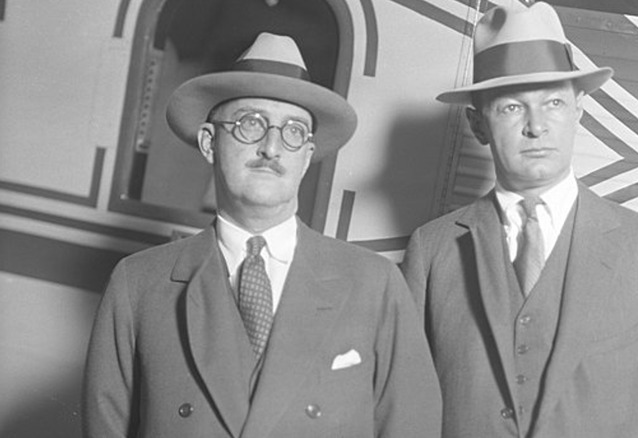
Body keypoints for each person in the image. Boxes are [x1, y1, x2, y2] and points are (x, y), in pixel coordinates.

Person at [401, 3, 638, 437]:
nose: (536, 126)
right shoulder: (431, 250)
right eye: (510, 107)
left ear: (579, 110)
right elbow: (401, 408)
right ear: (477, 124)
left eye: (554, 102)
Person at [82, 33, 442, 438]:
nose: (271, 147)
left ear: (306, 157)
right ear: (209, 143)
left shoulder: (375, 285)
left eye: (292, 131)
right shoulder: (138, 284)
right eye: (250, 123)